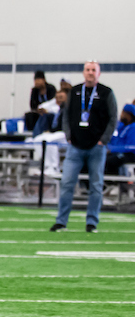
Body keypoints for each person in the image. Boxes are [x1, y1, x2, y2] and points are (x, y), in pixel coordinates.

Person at [51, 62, 118, 234]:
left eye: (93, 70)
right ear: (83, 72)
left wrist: (104, 140)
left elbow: (112, 118)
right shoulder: (74, 92)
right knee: (67, 183)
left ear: (99, 73)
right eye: (88, 70)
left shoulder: (106, 93)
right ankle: (61, 222)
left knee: (96, 185)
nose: (90, 73)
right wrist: (68, 135)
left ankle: (91, 222)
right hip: (75, 146)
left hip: (97, 147)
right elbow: (66, 115)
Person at [105, 104, 135, 175]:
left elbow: (132, 147)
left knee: (111, 161)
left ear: (129, 115)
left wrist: (112, 149)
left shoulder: (133, 128)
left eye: (123, 113)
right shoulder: (121, 126)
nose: (121, 115)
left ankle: (112, 181)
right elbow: (114, 140)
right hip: (118, 152)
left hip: (130, 154)